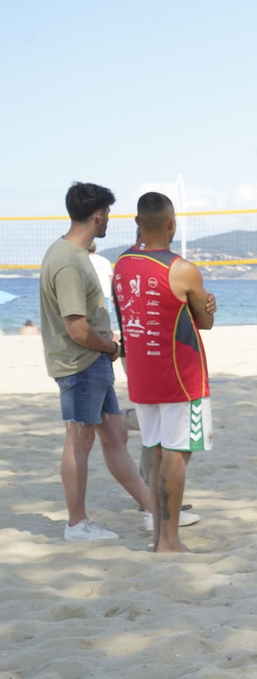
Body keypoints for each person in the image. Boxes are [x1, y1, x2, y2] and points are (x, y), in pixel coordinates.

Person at [38, 182, 154, 541]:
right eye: (108, 215)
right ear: (98, 215)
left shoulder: (68, 254)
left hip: (92, 362)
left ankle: (154, 510)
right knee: (78, 441)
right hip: (81, 363)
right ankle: (77, 523)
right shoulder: (69, 261)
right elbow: (76, 329)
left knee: (115, 434)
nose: (108, 223)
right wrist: (109, 346)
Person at [112, 192, 215, 552]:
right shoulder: (182, 269)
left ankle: (160, 537)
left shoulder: (122, 264)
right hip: (180, 377)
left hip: (141, 373)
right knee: (176, 454)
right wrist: (206, 305)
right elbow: (206, 321)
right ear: (171, 223)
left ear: (138, 223)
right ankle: (169, 541)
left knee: (154, 452)